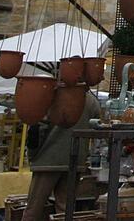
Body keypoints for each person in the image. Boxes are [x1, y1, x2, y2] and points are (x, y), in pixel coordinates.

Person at [23, 90, 102, 221]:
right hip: (75, 160)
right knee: (65, 210)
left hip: (47, 160)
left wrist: (32, 155)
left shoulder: (53, 95)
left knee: (34, 209)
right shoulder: (91, 101)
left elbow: (38, 129)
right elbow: (96, 127)